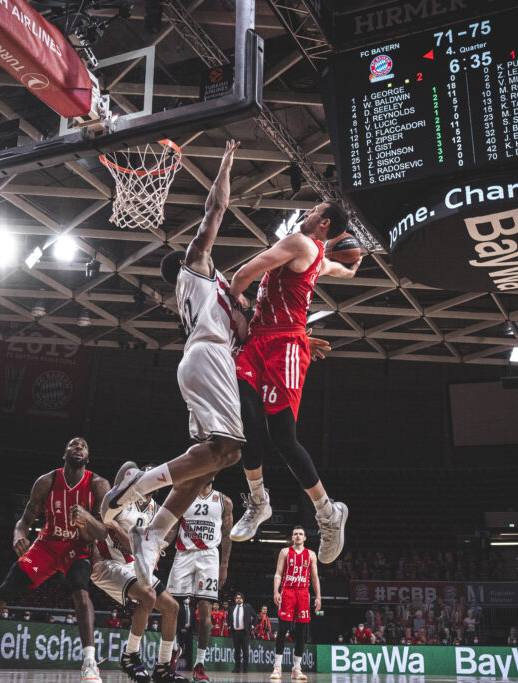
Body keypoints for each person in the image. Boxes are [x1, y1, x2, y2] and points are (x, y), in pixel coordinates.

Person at [105, 141, 245, 584]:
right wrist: (224, 163)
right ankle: (141, 484)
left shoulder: (212, 287)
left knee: (215, 460)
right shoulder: (195, 266)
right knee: (229, 450)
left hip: (203, 362)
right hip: (208, 359)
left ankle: (155, 534)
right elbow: (215, 211)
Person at [226, 201, 362, 563]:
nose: (307, 212)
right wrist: (351, 271)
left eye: (314, 209)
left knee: (283, 437)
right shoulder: (315, 250)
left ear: (325, 221)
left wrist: (235, 298)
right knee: (246, 421)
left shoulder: (301, 243)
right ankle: (258, 502)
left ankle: (328, 514)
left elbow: (243, 274)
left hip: (283, 345)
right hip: (260, 341)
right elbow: (335, 268)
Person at [0, 437, 109, 683]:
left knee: (80, 589)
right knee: (2, 592)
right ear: (64, 454)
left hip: (77, 546)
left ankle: (90, 664)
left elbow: (102, 532)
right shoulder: (46, 481)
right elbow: (24, 521)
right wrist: (18, 535)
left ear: (88, 458)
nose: (78, 447)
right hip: (46, 545)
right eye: (73, 444)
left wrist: (87, 519)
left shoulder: (98, 484)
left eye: (83, 446)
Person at [95, 464, 188, 683]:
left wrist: (154, 552)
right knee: (148, 596)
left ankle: (163, 667)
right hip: (109, 563)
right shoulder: (122, 499)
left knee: (172, 608)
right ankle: (129, 656)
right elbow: (128, 545)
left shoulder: (157, 510)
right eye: (144, 473)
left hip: (133, 565)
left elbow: (159, 539)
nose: (148, 476)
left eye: (153, 474)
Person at [166, 480, 233, 681]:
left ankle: (199, 664)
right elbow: (172, 527)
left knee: (205, 611)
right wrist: (159, 548)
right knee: (171, 607)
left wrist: (224, 565)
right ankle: (174, 649)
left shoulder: (224, 501)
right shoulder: (184, 494)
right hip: (183, 554)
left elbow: (228, 535)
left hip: (209, 557)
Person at [271, 527, 321, 681]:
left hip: (303, 593)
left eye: (301, 534)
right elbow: (278, 573)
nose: (298, 536)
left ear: (305, 537)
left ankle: (296, 668)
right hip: (288, 592)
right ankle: (277, 667)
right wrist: (276, 591)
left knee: (301, 632)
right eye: (295, 534)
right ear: (292, 537)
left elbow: (314, 577)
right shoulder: (285, 552)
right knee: (283, 630)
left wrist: (318, 596)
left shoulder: (311, 554)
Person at [228, 593, 254, 673]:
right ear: (235, 599)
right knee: (237, 651)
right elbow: (228, 618)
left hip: (244, 632)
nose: (238, 599)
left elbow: (255, 616)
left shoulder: (247, 607)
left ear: (243, 599)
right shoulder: (232, 608)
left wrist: (252, 625)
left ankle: (245, 668)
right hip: (235, 632)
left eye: (240, 598)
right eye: (237, 598)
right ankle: (237, 668)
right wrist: (229, 626)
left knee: (245, 651)